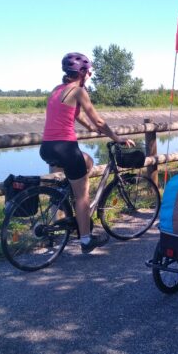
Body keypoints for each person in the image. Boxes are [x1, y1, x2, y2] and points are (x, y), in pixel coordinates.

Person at [40, 52, 135, 253]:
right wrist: (117, 138)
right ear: (82, 72)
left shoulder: (57, 90)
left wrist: (89, 128)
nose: (90, 75)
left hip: (47, 147)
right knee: (82, 196)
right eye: (89, 71)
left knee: (87, 162)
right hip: (65, 147)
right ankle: (85, 240)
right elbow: (99, 120)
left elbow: (74, 114)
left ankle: (64, 206)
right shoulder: (79, 91)